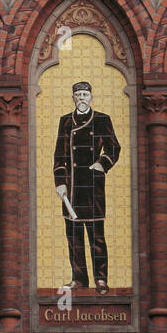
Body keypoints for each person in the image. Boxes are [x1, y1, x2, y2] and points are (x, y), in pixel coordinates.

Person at [54, 81, 120, 295]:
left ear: (91, 97)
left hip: (92, 184)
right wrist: (60, 182)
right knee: (73, 237)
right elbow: (60, 154)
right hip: (72, 187)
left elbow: (114, 147)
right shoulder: (65, 121)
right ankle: (79, 278)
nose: (81, 98)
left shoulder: (102, 119)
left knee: (96, 236)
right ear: (73, 98)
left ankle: (101, 279)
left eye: (85, 94)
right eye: (78, 94)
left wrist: (102, 164)